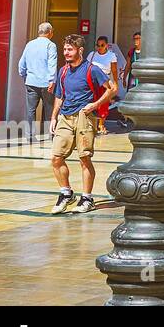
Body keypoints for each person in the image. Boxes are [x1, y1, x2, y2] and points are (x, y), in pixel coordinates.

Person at [50, 34, 114, 214]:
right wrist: (54, 117)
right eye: (65, 49)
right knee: (56, 158)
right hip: (65, 116)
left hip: (84, 117)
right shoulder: (63, 71)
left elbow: (111, 89)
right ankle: (66, 193)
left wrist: (94, 105)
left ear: (80, 50)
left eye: (70, 49)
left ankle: (87, 198)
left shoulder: (92, 69)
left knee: (84, 158)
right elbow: (59, 96)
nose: (66, 53)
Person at [18, 22, 57, 141]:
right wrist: (52, 80)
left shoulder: (30, 44)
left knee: (31, 110)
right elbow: (52, 64)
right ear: (50, 32)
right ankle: (51, 135)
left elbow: (21, 64)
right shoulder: (51, 45)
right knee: (49, 109)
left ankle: (30, 136)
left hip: (31, 82)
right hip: (46, 83)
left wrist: (25, 76)